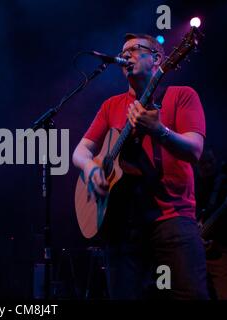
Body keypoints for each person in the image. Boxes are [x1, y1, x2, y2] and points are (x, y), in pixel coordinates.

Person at [72, 33, 208, 299]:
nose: (126, 56)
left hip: (172, 220)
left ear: (157, 58)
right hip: (122, 225)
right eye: (123, 52)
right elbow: (80, 151)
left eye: (134, 50)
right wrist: (91, 169)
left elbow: (195, 150)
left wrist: (159, 131)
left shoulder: (181, 96)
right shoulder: (111, 105)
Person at [195, 149, 227, 300]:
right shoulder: (192, 185)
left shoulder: (226, 182)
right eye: (203, 163)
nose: (207, 166)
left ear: (217, 161)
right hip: (195, 253)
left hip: (222, 252)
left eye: (210, 162)